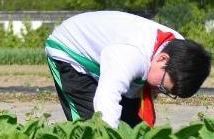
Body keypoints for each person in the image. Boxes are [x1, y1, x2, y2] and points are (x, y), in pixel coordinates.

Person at [45, 10, 211, 128]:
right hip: (71, 52)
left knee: (132, 129)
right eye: (161, 87)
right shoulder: (132, 55)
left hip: (110, 57)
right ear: (162, 59)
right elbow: (107, 96)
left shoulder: (180, 49)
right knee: (90, 129)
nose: (159, 92)